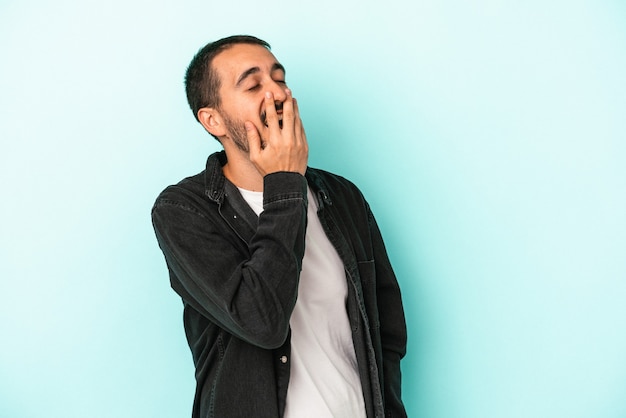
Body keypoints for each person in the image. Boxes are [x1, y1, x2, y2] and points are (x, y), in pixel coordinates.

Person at [151, 35, 407, 418]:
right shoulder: (184, 211)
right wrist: (286, 184)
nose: (277, 93)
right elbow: (261, 321)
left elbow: (387, 331)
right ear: (212, 119)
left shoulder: (343, 197)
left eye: (280, 79)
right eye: (253, 85)